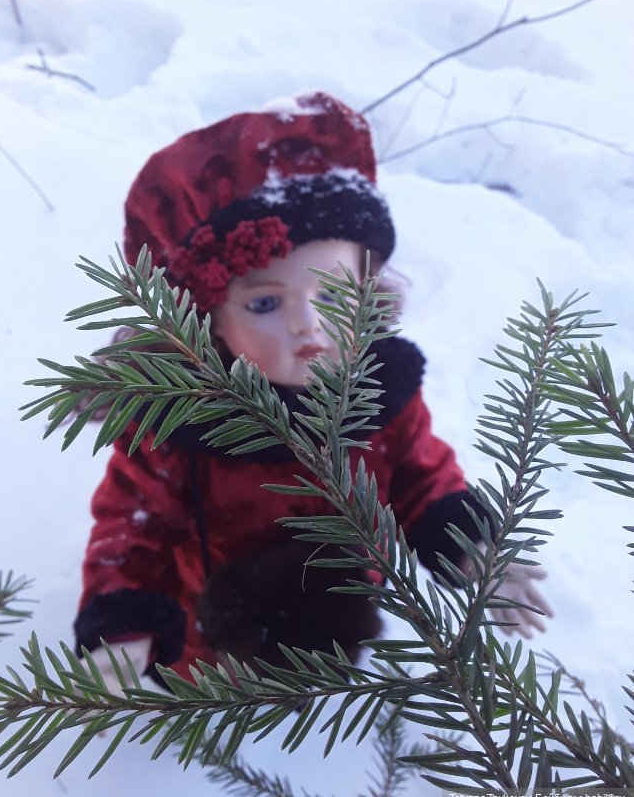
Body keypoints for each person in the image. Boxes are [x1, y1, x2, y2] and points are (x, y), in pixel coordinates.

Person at [75, 92, 552, 690]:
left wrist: (471, 548)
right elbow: (134, 525)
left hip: (339, 620)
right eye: (267, 303)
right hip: (210, 652)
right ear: (208, 319)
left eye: (333, 294)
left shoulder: (378, 394)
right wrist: (126, 627)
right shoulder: (181, 424)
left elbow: (422, 478)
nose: (311, 326)